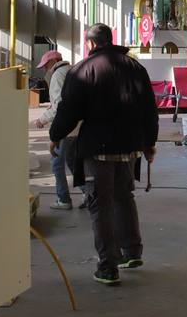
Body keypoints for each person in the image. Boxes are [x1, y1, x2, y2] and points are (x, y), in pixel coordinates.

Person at [50, 24, 158, 286]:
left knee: (100, 204)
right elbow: (149, 109)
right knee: (124, 197)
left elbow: (68, 110)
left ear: (90, 44)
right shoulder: (135, 68)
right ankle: (132, 252)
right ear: (111, 40)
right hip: (129, 146)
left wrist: (56, 135)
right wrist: (149, 143)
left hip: (97, 149)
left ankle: (108, 267)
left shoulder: (83, 70)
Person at [34, 50, 76, 210]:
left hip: (65, 127)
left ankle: (64, 199)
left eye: (45, 66)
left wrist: (43, 120)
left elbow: (59, 106)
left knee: (57, 163)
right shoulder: (72, 70)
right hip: (77, 126)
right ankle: (89, 194)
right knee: (72, 162)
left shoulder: (58, 76)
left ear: (53, 62)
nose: (45, 70)